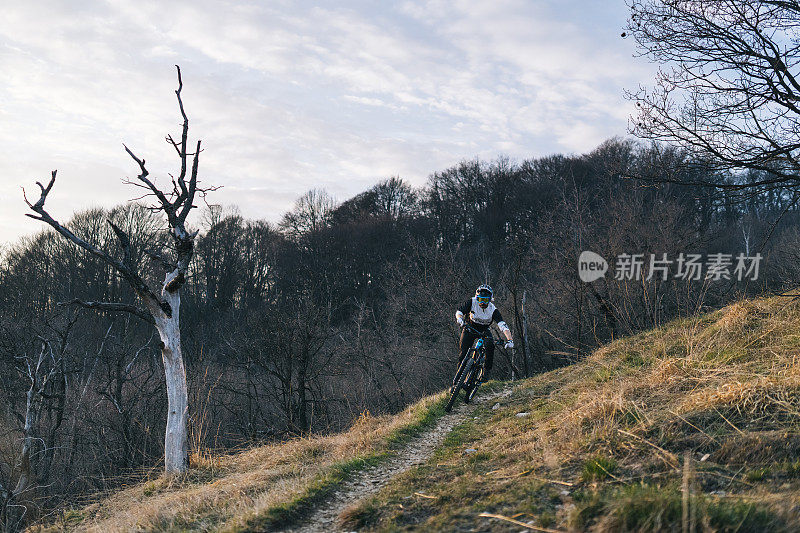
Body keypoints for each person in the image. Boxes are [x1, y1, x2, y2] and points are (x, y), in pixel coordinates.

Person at [454, 284, 513, 383]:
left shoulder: (493, 310)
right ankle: (457, 381)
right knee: (463, 353)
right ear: (477, 298)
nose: (482, 303)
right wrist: (459, 319)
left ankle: (486, 371)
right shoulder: (471, 302)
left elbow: (503, 325)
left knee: (490, 346)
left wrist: (509, 339)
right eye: (480, 299)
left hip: (484, 330)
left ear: (490, 300)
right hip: (470, 328)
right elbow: (459, 311)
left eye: (485, 300)